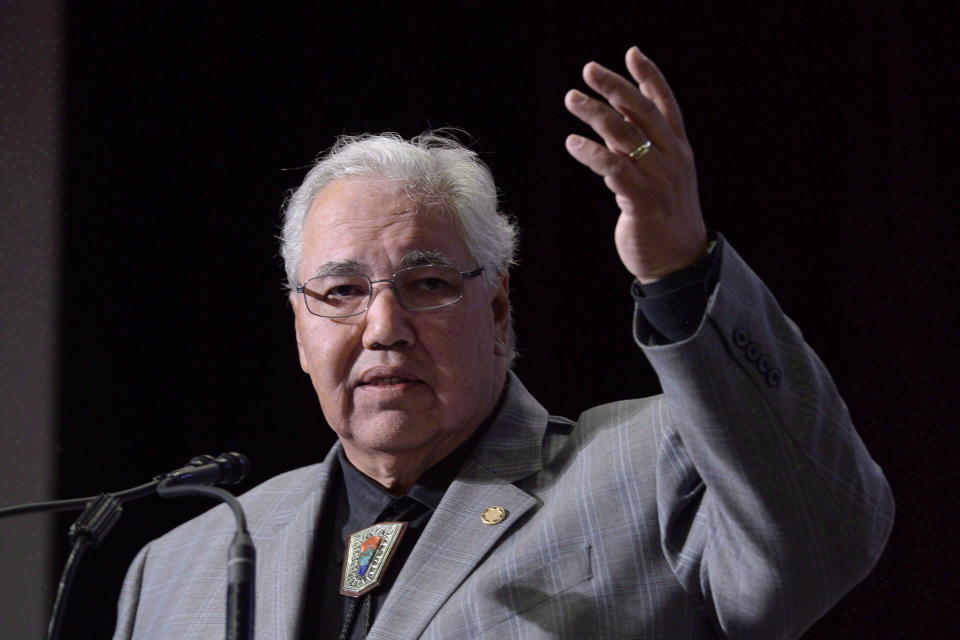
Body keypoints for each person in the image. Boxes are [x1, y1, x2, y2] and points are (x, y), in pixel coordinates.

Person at [112, 47, 893, 640]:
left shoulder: (653, 467)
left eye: (428, 285)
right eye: (342, 293)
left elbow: (827, 533)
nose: (383, 328)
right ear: (299, 328)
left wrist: (682, 272)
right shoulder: (179, 565)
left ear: (496, 310)